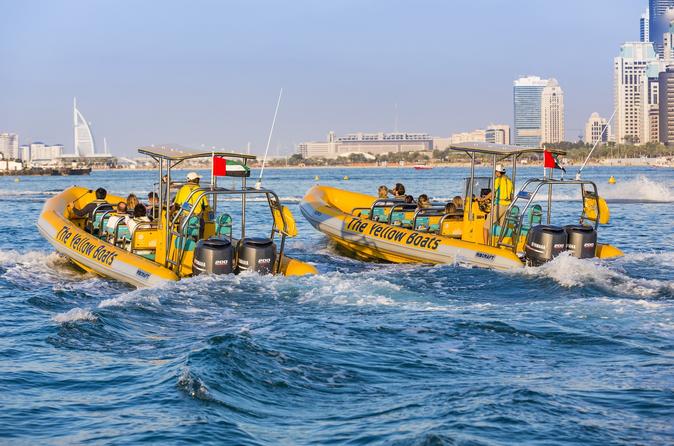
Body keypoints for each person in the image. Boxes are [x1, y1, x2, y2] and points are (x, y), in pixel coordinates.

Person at [479, 164, 513, 243]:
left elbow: (492, 193)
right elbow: (511, 196)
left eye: (495, 172)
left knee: (485, 227)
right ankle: (500, 245)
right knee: (502, 228)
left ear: (498, 172)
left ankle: (486, 246)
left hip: (499, 206)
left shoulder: (498, 180)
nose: (495, 173)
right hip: (507, 206)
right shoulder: (509, 181)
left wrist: (483, 199)